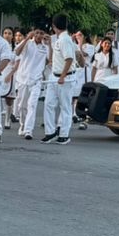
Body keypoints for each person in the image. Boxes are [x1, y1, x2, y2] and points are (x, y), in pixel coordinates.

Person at [14, 26, 50, 139]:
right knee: (22, 106)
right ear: (34, 33)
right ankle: (23, 125)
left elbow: (51, 60)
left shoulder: (45, 47)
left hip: (36, 80)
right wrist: (26, 39)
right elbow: (17, 52)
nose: (39, 35)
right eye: (37, 33)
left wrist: (50, 44)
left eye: (42, 33)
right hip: (23, 79)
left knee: (32, 105)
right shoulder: (28, 43)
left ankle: (29, 130)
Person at [47, 15, 78, 143]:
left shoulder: (65, 39)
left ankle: (64, 134)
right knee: (49, 104)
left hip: (65, 77)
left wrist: (63, 76)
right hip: (54, 76)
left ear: (54, 26)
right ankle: (50, 132)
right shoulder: (60, 39)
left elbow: (69, 58)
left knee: (65, 106)